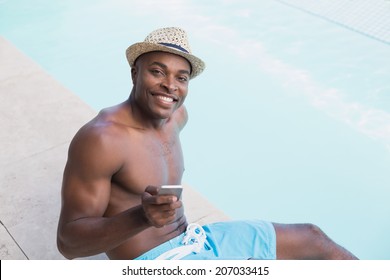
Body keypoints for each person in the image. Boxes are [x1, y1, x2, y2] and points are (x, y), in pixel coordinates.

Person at [56, 27, 358, 260]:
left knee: (313, 239)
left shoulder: (176, 117)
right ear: (135, 72)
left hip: (196, 241)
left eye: (181, 77)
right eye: (157, 71)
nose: (170, 85)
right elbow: (68, 243)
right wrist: (141, 217)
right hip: (153, 262)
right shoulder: (102, 138)